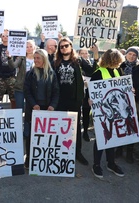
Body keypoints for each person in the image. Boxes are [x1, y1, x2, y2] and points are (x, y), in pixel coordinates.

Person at [89, 48, 126, 179]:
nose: (119, 64)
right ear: (112, 60)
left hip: (116, 111)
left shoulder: (117, 71)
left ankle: (111, 163)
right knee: (101, 137)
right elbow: (91, 92)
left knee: (113, 138)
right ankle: (96, 165)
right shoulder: (98, 73)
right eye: (117, 61)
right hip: (102, 111)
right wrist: (89, 99)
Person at [53, 37, 88, 165]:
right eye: (61, 46)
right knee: (61, 126)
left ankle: (77, 152)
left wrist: (95, 55)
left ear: (71, 46)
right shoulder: (55, 62)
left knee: (76, 127)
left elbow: (91, 69)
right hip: (60, 100)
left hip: (74, 100)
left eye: (66, 45)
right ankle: (61, 151)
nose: (64, 48)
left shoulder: (78, 61)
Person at [24, 49, 59, 169]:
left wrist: (52, 105)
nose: (35, 60)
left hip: (47, 110)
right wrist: (33, 104)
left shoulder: (52, 74)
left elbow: (56, 92)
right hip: (33, 109)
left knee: (44, 136)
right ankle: (29, 158)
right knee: (30, 135)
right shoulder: (30, 74)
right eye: (34, 58)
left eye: (38, 58)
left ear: (44, 59)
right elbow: (27, 92)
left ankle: (42, 159)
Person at [117, 46, 139, 163]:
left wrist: (135, 96)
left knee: (132, 125)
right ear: (126, 54)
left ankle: (130, 151)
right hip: (119, 99)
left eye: (134, 55)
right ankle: (119, 149)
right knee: (120, 123)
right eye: (130, 54)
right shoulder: (120, 65)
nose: (132, 56)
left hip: (134, 100)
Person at [78, 45, 99, 142]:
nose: (84, 55)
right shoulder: (78, 62)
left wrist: (95, 53)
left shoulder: (90, 62)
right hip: (81, 90)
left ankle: (85, 130)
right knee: (83, 110)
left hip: (91, 89)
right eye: (82, 53)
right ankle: (83, 131)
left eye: (86, 53)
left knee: (87, 110)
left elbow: (93, 70)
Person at [7, 39, 36, 110]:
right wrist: (10, 57)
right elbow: (13, 66)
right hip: (20, 86)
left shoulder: (37, 58)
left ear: (34, 47)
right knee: (19, 108)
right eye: (27, 47)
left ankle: (28, 121)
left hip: (33, 87)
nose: (29, 49)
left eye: (30, 46)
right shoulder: (21, 58)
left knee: (31, 108)